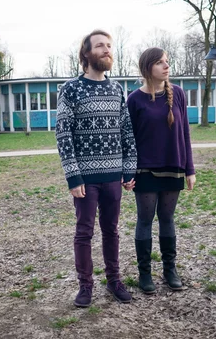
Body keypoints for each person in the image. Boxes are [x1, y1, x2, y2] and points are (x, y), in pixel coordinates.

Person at [55, 29, 137, 308]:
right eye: (100, 46)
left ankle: (114, 280)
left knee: (111, 231)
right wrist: (73, 176)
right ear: (86, 53)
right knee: (84, 232)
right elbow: (63, 134)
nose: (106, 50)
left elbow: (126, 131)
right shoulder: (70, 89)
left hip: (114, 176)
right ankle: (85, 286)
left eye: (109, 46)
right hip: (85, 179)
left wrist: (129, 169)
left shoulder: (117, 90)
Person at [126, 47, 196, 294]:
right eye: (160, 63)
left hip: (173, 166)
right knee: (145, 219)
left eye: (167, 62)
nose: (166, 66)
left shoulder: (177, 94)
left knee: (167, 218)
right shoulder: (134, 99)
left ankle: (170, 269)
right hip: (144, 170)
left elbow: (185, 132)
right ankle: (145, 274)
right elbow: (129, 139)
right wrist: (128, 173)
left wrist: (190, 168)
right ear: (148, 68)